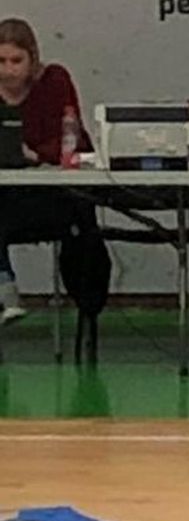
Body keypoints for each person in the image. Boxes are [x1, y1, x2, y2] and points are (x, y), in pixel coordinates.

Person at [0, 18, 94, 323]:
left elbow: (75, 139)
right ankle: (6, 288)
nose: (8, 69)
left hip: (48, 197)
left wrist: (37, 153)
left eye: (16, 60)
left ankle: (5, 290)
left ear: (33, 58)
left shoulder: (54, 81)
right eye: (0, 61)